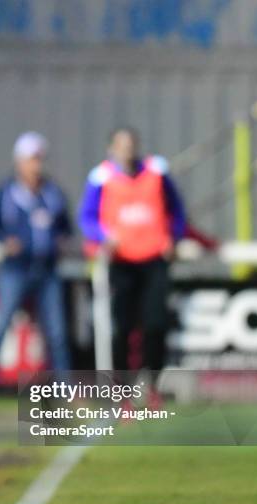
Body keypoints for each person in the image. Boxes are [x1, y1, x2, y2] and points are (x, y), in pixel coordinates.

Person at [0, 132, 73, 407]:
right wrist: (4, 242)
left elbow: (65, 227)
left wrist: (61, 241)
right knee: (1, 328)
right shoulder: (6, 193)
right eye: (31, 159)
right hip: (15, 270)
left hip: (46, 270)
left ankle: (66, 391)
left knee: (57, 332)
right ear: (20, 162)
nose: (36, 165)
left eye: (39, 159)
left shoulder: (52, 192)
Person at [78, 127, 186, 376]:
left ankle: (153, 383)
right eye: (121, 145)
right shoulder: (101, 177)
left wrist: (173, 236)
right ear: (111, 149)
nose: (127, 151)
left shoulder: (156, 171)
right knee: (123, 327)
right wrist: (104, 237)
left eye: (131, 145)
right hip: (122, 261)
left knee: (155, 324)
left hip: (154, 259)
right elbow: (87, 218)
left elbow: (177, 211)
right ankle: (123, 390)